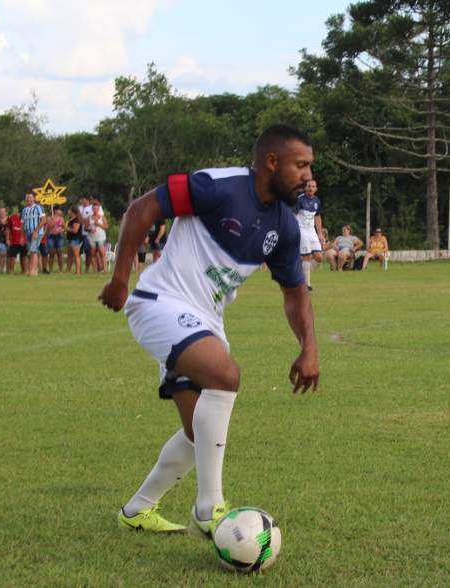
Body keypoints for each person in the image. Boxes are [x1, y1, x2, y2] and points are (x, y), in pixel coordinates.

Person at [98, 123, 319, 536]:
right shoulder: (219, 187)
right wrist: (119, 279)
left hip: (206, 320)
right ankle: (209, 510)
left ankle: (137, 510)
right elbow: (142, 209)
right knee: (225, 374)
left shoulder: (286, 228)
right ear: (272, 162)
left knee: (196, 430)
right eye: (301, 165)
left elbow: (295, 294)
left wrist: (309, 347)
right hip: (159, 303)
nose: (308, 176)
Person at [294, 179, 325, 290]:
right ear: (305, 188)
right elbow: (293, 215)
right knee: (306, 256)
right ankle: (306, 284)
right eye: (309, 186)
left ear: (316, 189)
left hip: (312, 232)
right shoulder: (300, 200)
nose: (311, 188)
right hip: (302, 230)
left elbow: (317, 217)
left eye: (313, 186)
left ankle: (301, 275)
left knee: (319, 257)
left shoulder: (317, 201)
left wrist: (320, 233)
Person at [21, 193, 47, 276]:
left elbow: (43, 220)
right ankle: (30, 269)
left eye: (30, 198)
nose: (29, 199)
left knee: (33, 250)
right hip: (28, 232)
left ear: (34, 199)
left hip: (37, 232)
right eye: (27, 198)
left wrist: (36, 231)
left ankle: (34, 270)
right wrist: (22, 236)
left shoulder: (38, 207)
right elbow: (22, 223)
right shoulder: (24, 210)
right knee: (30, 251)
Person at [87, 200, 109, 272]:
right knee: (92, 253)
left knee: (102, 252)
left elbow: (106, 227)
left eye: (96, 208)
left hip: (101, 237)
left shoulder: (102, 217)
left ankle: (105, 270)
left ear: (99, 209)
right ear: (92, 209)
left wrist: (99, 224)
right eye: (93, 208)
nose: (95, 210)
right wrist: (89, 229)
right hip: (91, 237)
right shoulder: (89, 217)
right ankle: (95, 270)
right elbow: (85, 227)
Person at [6, 205, 27, 274]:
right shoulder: (12, 218)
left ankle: (24, 271)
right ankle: (11, 271)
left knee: (23, 257)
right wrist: (7, 239)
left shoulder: (27, 218)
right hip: (14, 241)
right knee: (12, 256)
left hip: (24, 241)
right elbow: (8, 229)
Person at [66, 206, 83, 275]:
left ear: (73, 211)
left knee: (76, 255)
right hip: (70, 239)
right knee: (69, 255)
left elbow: (75, 230)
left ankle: (78, 271)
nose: (68, 211)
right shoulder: (71, 219)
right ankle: (68, 270)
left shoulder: (76, 220)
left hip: (75, 239)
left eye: (69, 210)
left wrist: (66, 228)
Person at [47, 206, 65, 273]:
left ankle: (61, 270)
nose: (60, 211)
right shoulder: (49, 218)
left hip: (59, 236)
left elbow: (64, 227)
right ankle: (50, 269)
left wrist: (62, 231)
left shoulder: (61, 219)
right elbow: (48, 228)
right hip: (51, 236)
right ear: (55, 210)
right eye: (59, 210)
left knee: (60, 253)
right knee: (51, 253)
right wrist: (52, 222)